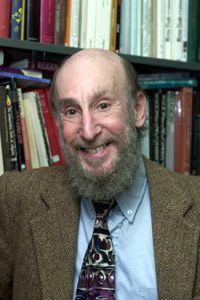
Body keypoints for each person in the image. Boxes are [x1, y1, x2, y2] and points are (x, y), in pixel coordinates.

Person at [0, 49, 200, 300]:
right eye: (72, 111)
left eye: (103, 105)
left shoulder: (196, 205)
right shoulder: (14, 198)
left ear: (138, 110)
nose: (88, 130)